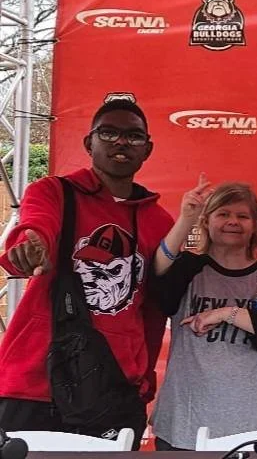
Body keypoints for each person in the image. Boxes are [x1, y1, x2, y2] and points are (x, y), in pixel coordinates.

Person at [0, 99, 173, 443]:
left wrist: (143, 382)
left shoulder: (160, 222)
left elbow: (152, 314)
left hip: (113, 392)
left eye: (133, 136)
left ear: (147, 149)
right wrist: (30, 245)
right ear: (88, 143)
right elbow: (37, 226)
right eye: (108, 133)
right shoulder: (54, 192)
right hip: (34, 384)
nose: (121, 142)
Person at [150, 180, 257, 451]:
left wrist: (225, 314)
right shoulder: (189, 268)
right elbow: (157, 275)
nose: (233, 222)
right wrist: (186, 218)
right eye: (223, 214)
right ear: (207, 222)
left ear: (255, 224)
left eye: (242, 216)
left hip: (255, 426)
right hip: (184, 426)